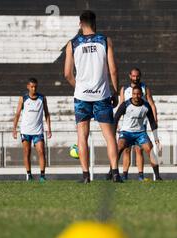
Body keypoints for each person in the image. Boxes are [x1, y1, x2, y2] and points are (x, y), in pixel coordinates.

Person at [64, 10, 122, 183]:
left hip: (82, 96)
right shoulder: (105, 40)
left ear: (80, 23)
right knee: (109, 136)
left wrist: (79, 87)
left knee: (82, 136)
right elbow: (113, 70)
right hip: (102, 95)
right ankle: (116, 173)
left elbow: (67, 73)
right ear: (95, 23)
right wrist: (116, 91)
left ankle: (85, 175)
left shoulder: (72, 44)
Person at [114, 85, 162, 181]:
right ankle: (113, 173)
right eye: (134, 94)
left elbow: (152, 122)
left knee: (150, 150)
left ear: (142, 94)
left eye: (138, 94)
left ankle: (157, 176)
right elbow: (116, 118)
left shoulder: (146, 106)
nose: (136, 96)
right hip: (126, 132)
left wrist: (156, 139)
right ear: (132, 94)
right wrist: (113, 134)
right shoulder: (125, 105)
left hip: (140, 133)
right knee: (119, 148)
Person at [12, 78, 52, 182]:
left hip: (38, 131)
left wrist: (49, 129)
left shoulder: (42, 98)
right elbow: (17, 114)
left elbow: (47, 113)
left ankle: (42, 176)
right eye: (32, 86)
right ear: (28, 86)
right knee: (27, 152)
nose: (34, 89)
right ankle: (29, 175)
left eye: (35, 87)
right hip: (25, 131)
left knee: (41, 151)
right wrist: (14, 129)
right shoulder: (23, 98)